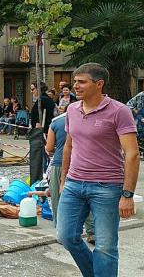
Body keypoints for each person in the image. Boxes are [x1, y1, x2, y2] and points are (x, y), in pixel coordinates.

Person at [57, 63, 139, 277]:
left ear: (99, 84)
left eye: (81, 82)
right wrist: (63, 179)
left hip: (107, 187)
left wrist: (127, 194)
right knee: (66, 236)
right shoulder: (72, 110)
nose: (75, 86)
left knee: (105, 247)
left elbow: (132, 154)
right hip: (74, 184)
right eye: (75, 81)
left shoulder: (119, 111)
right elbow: (69, 145)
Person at [46, 112, 95, 243]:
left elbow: (49, 147)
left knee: (58, 199)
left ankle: (62, 233)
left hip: (59, 164)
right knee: (86, 197)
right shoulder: (87, 119)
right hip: (81, 164)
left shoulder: (55, 122)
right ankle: (92, 232)